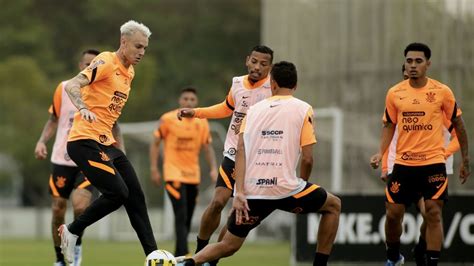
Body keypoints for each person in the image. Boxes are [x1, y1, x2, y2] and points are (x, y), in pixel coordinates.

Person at [178, 61, 341, 266]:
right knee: (334, 205)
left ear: (272, 84)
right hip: (286, 188)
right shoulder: (304, 109)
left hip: (254, 192)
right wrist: (302, 184)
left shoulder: (253, 111)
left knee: (228, 245)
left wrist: (240, 193)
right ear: (295, 85)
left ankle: (190, 262)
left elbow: (241, 150)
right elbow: (308, 158)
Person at [57, 20, 158, 264]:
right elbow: (72, 85)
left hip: (107, 144)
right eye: (137, 46)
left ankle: (154, 256)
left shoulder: (130, 72)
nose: (142, 52)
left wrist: (118, 147)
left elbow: (111, 114)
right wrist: (83, 107)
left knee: (136, 197)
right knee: (118, 192)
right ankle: (72, 230)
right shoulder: (105, 61)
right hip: (83, 140)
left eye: (145, 48)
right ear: (123, 42)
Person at [370, 42, 470, 266]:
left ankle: (430, 261)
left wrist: (465, 159)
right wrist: (381, 153)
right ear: (404, 64)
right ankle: (394, 257)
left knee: (433, 213)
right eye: (409, 61)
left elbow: (459, 125)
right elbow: (389, 126)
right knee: (393, 213)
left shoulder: (442, 92)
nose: (413, 65)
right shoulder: (395, 93)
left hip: (433, 163)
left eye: (418, 61)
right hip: (404, 164)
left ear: (428, 64)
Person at [178, 45, 274, 264]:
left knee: (235, 212)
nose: (257, 67)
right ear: (247, 60)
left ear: (270, 67)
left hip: (258, 160)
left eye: (264, 64)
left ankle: (211, 260)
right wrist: (197, 112)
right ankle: (200, 250)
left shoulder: (273, 88)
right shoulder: (238, 83)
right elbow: (226, 107)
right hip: (233, 152)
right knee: (218, 201)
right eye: (254, 61)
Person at [35, 49, 111, 266]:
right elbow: (53, 119)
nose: (90, 68)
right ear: (80, 65)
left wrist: (117, 152)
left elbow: (114, 126)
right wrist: (41, 141)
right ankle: (60, 258)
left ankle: (76, 248)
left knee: (80, 207)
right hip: (62, 158)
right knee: (58, 208)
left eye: (94, 65)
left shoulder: (105, 90)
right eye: (87, 64)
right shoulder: (64, 88)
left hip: (88, 158)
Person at [149, 87, 218, 257]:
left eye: (192, 99)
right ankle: (185, 253)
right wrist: (153, 168)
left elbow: (207, 147)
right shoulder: (168, 119)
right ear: (180, 101)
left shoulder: (201, 121)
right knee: (180, 214)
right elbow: (155, 143)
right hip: (173, 173)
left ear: (197, 103)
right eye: (185, 99)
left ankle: (178, 253)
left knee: (188, 217)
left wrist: (213, 169)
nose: (188, 102)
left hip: (193, 175)